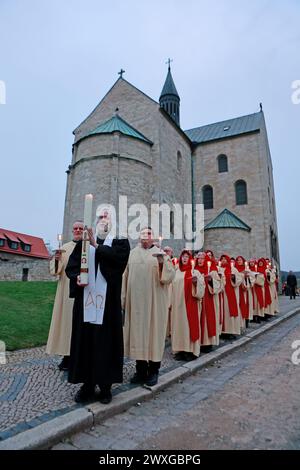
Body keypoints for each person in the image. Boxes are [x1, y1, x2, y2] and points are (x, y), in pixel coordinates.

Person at [65, 209, 130, 404]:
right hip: (85, 301)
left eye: (107, 217)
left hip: (107, 304)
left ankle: (105, 386)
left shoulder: (120, 240)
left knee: (105, 343)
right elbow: (72, 265)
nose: (103, 220)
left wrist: (96, 246)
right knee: (85, 341)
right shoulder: (85, 242)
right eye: (101, 217)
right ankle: (87, 384)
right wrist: (76, 277)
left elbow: (118, 262)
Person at [122, 227, 175, 387]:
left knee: (153, 336)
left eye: (149, 234)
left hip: (155, 304)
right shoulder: (131, 254)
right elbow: (125, 277)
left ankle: (153, 371)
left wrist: (161, 263)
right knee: (139, 335)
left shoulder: (162, 255)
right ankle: (140, 370)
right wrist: (123, 300)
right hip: (137, 304)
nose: (146, 237)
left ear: (153, 238)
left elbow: (169, 276)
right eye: (143, 234)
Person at [46, 221, 84, 370]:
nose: (78, 230)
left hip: (83, 291)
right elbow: (55, 271)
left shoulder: (89, 248)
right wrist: (56, 259)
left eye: (81, 228)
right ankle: (67, 356)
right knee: (66, 324)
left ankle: (80, 356)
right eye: (75, 228)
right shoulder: (64, 249)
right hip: (66, 292)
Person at [170, 250, 205, 360]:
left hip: (190, 304)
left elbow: (202, 289)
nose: (185, 258)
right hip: (177, 305)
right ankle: (179, 350)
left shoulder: (195, 272)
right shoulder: (176, 272)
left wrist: (195, 283)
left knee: (188, 327)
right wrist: (170, 303)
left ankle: (190, 351)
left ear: (190, 259)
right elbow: (170, 287)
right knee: (178, 327)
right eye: (183, 256)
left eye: (187, 257)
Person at [195, 252, 221, 351]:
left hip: (208, 298)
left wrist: (210, 280)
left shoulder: (212, 271)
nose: (200, 260)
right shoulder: (194, 270)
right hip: (197, 298)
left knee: (207, 319)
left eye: (202, 258)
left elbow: (218, 285)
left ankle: (207, 343)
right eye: (199, 258)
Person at [219, 254, 243, 337]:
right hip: (222, 293)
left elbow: (239, 279)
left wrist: (233, 278)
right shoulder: (219, 269)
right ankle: (222, 331)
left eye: (225, 259)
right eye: (222, 259)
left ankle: (232, 331)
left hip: (231, 293)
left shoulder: (233, 269)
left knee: (230, 311)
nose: (223, 260)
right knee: (223, 311)